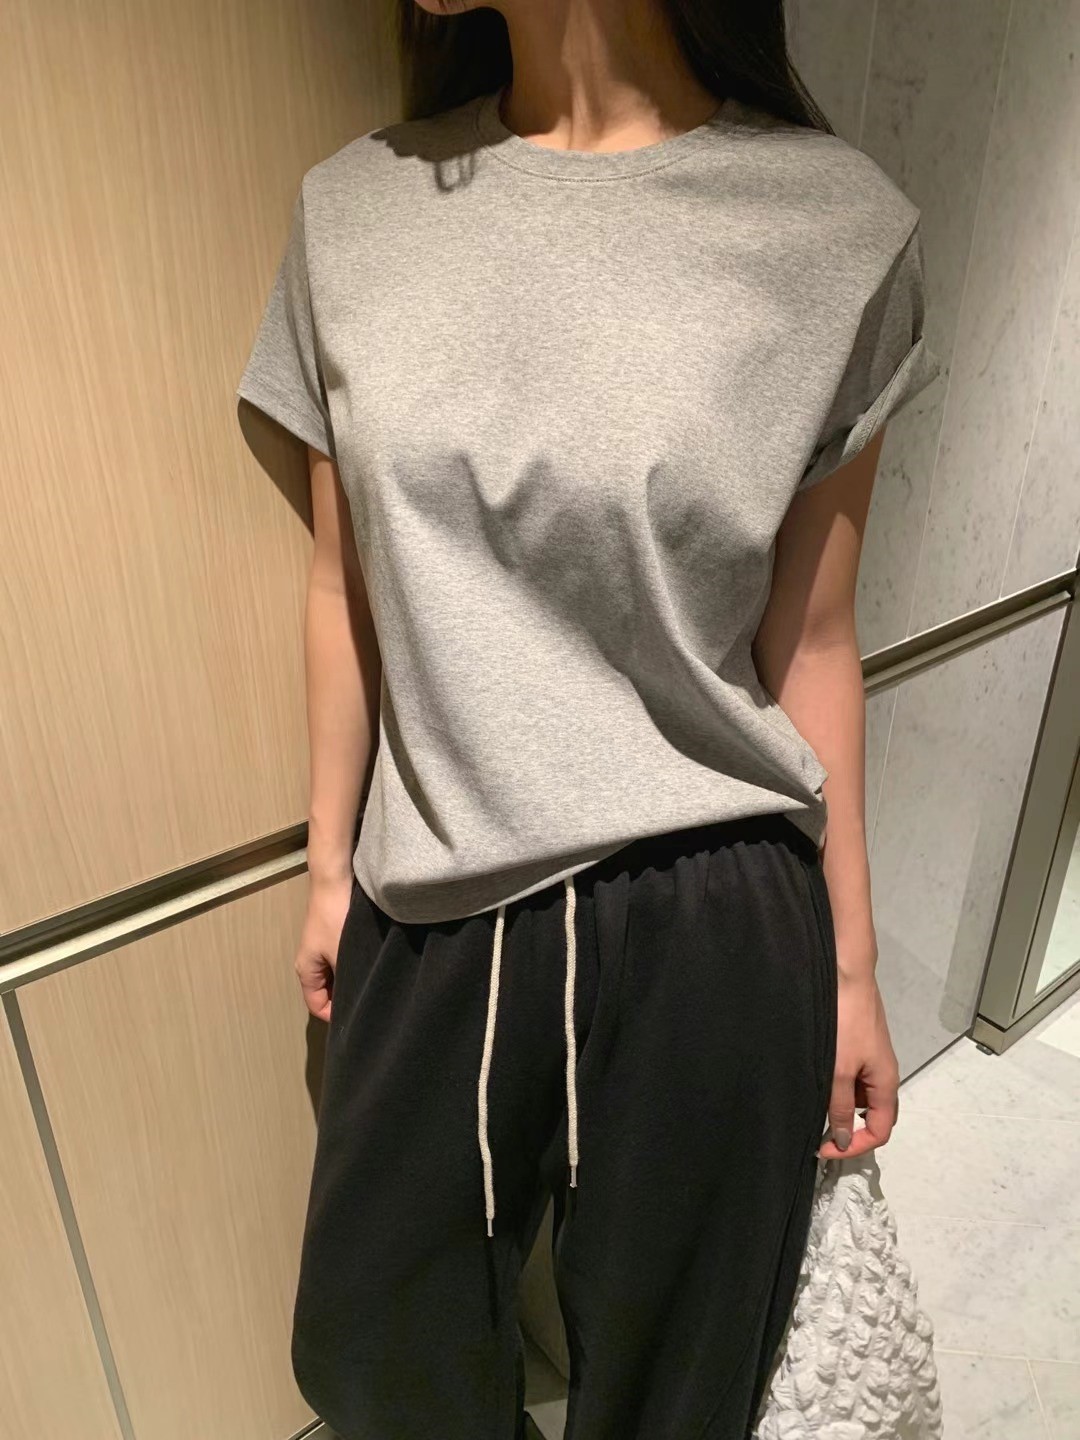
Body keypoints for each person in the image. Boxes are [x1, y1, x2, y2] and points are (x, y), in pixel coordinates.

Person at [236, 2, 941, 1436]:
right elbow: (341, 580)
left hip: (713, 908)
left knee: (676, 1395)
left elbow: (812, 638)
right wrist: (327, 869)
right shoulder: (353, 211)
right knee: (371, 1354)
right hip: (441, 900)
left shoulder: (832, 226)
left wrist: (854, 969)